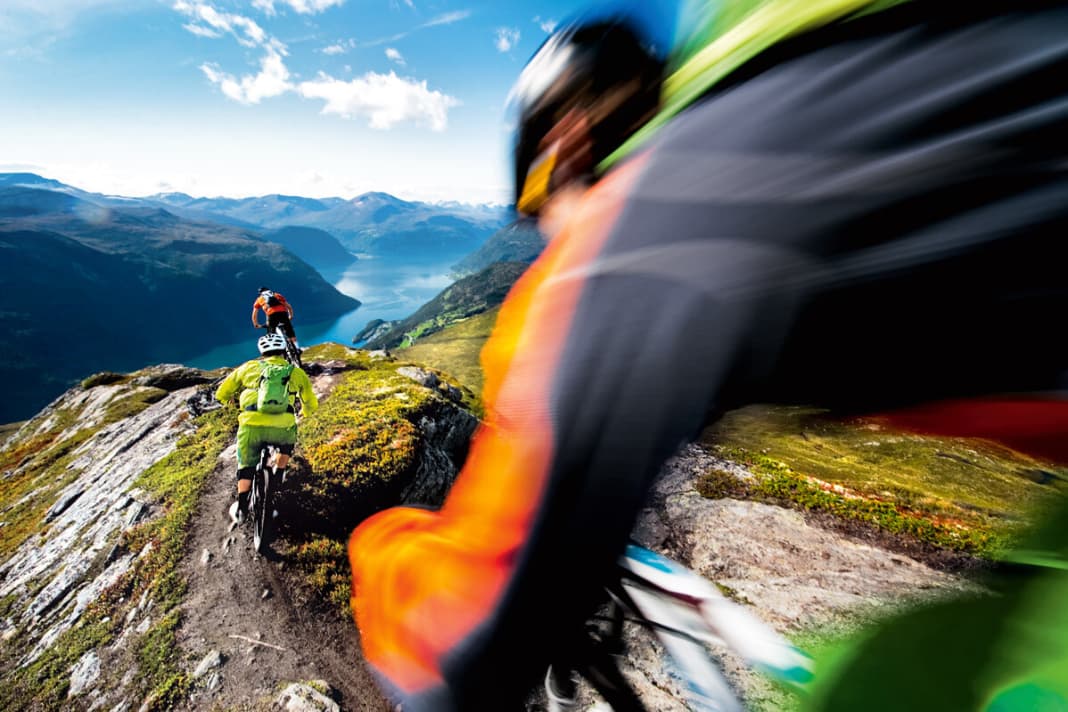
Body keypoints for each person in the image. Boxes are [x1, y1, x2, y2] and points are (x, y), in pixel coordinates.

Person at [346, 2, 1068, 710]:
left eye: (540, 203)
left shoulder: (640, 223)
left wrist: (376, 545)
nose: (547, 239)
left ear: (567, 142)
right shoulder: (846, 73)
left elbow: (462, 636)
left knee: (896, 678)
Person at [215, 331, 318, 524]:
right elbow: (310, 403)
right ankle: (279, 474)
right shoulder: (295, 372)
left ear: (262, 352)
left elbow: (221, 392)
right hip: (283, 426)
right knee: (286, 444)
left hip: (251, 426)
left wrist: (229, 401)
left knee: (246, 466)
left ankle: (242, 509)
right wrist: (306, 411)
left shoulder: (248, 368)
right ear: (282, 351)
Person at [253, 286, 301, 352]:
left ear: (260, 293)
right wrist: (290, 315)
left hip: (271, 315)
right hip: (283, 314)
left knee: (272, 335)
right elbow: (289, 306)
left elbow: (254, 314)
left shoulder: (259, 299)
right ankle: (297, 348)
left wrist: (256, 324)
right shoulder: (277, 295)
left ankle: (278, 350)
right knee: (289, 331)